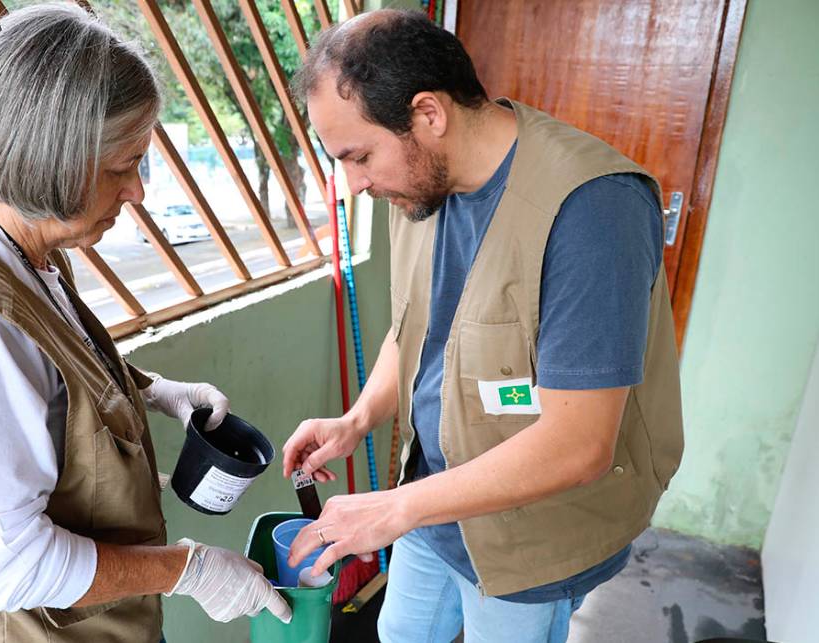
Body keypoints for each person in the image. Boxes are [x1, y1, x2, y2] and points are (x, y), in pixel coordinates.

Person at [0, 4, 288, 642]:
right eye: (124, 166)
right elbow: (1, 566)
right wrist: (189, 571)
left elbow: (50, 374)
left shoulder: (18, 250)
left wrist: (150, 392)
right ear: (50, 160)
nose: (138, 192)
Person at [282, 9, 684, 643]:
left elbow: (579, 445)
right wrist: (358, 420)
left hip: (530, 531)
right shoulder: (420, 187)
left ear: (428, 114)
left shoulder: (591, 207)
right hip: (431, 502)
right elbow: (415, 330)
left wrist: (391, 509)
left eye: (359, 156)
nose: (355, 184)